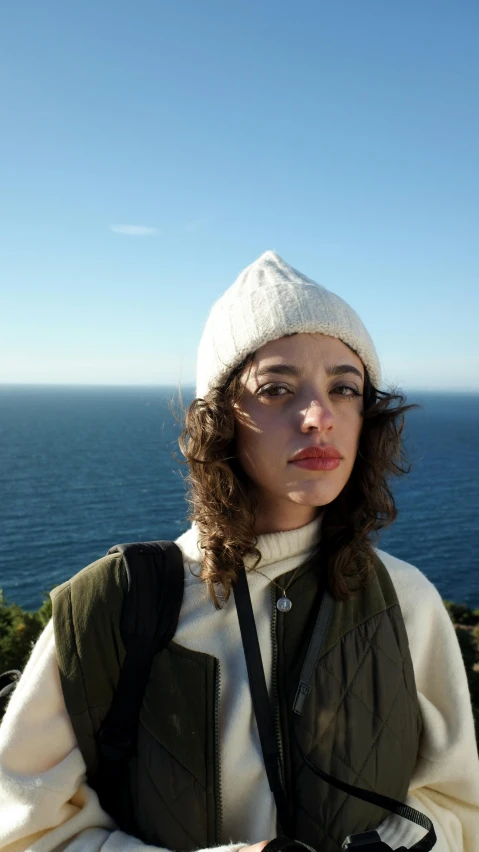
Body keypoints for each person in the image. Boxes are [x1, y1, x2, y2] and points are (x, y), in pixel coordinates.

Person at [0, 250, 478, 852]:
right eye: (277, 388)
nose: (318, 417)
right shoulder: (112, 609)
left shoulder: (407, 603)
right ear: (217, 419)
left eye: (344, 388)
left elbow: (455, 807)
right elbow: (24, 831)